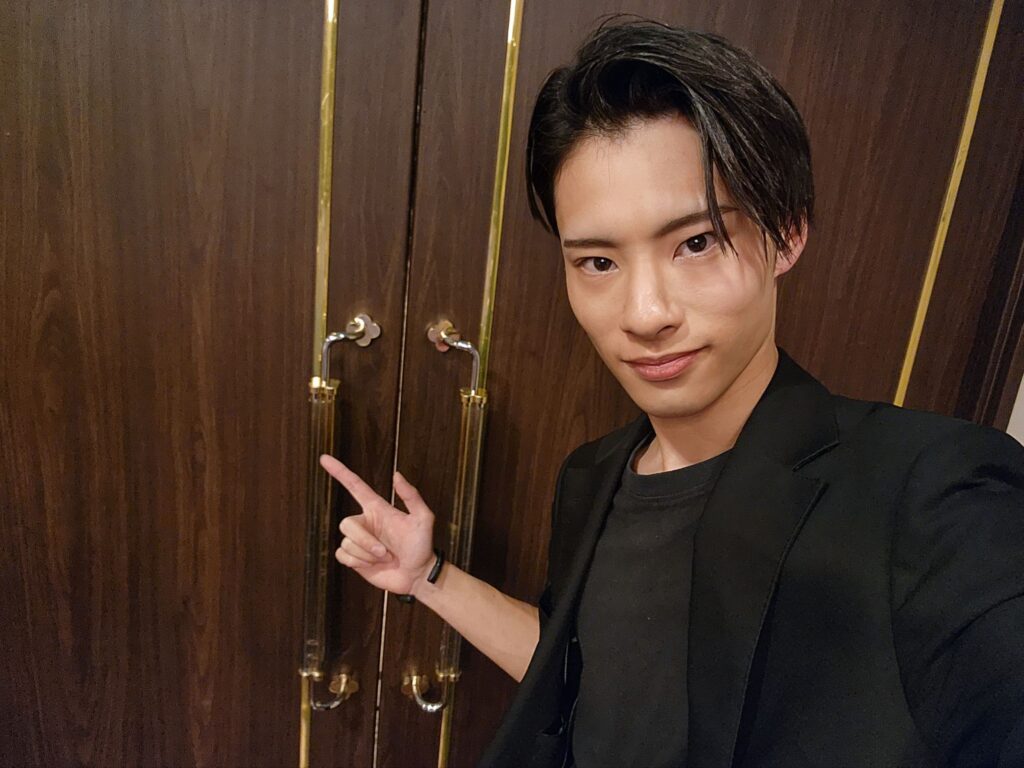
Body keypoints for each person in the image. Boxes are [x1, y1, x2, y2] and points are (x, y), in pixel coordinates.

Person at [318, 18, 1024, 768]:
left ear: (786, 234)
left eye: (697, 242)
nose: (645, 313)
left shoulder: (936, 496)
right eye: (597, 262)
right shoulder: (592, 477)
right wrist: (429, 577)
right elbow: (584, 678)